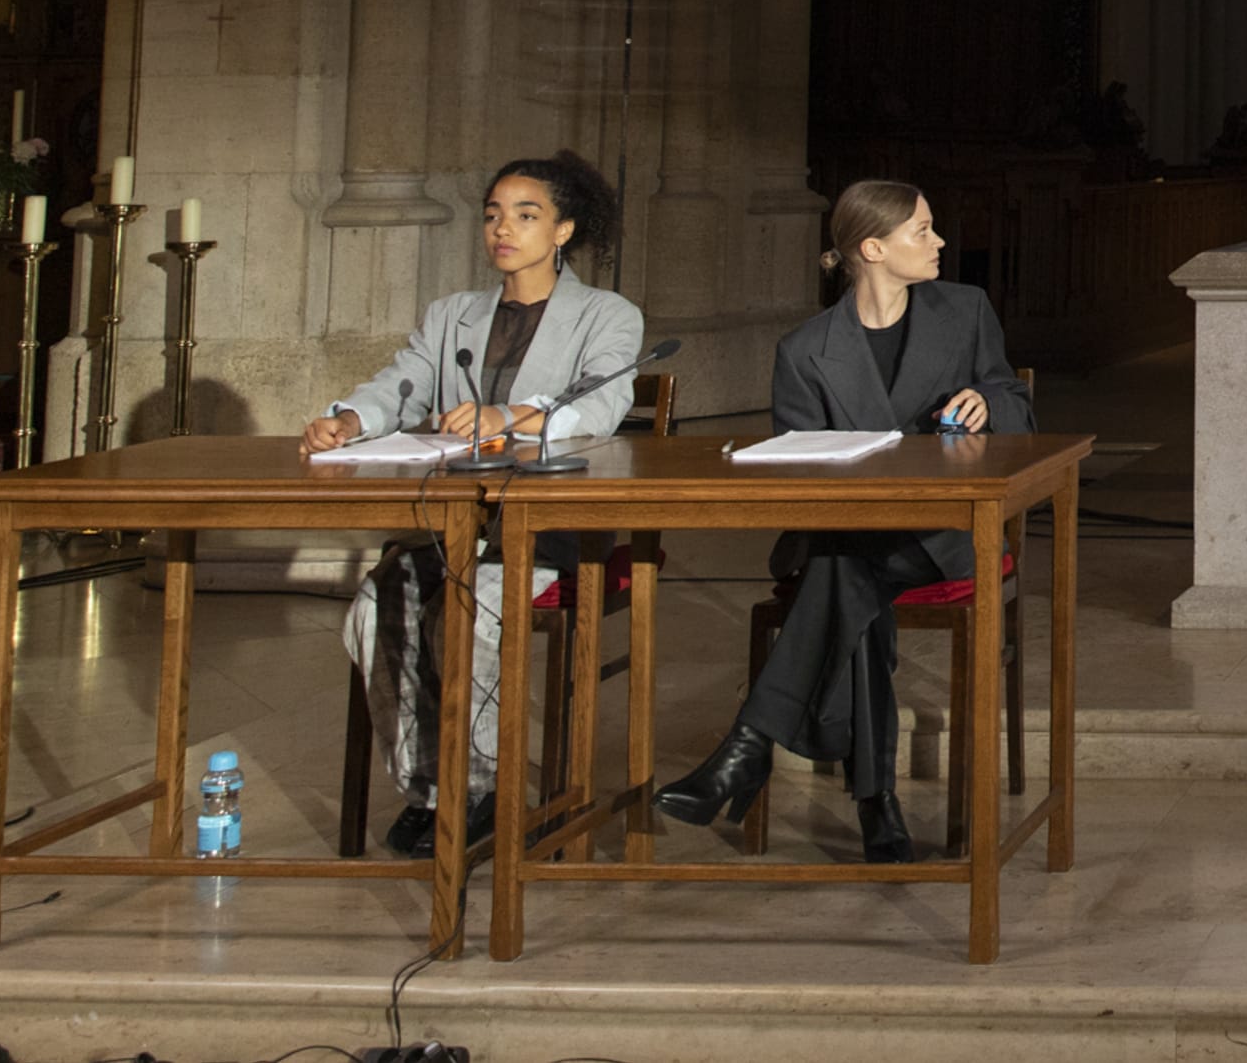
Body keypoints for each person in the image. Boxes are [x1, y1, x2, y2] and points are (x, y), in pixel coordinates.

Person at [654, 180, 1029, 862]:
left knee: (839, 575)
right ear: (873, 248)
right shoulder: (804, 350)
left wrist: (989, 403)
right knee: (847, 574)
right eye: (923, 230)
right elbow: (799, 476)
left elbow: (1017, 403)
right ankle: (870, 803)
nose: (940, 241)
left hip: (944, 536)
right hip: (848, 537)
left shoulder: (966, 310)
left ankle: (757, 750)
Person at [300, 150, 644, 858]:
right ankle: (432, 787)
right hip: (453, 521)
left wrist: (512, 416)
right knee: (375, 607)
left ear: (563, 229)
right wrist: (349, 421)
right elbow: (399, 384)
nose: (502, 229)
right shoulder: (453, 314)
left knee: (471, 606)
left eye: (525, 214)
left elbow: (603, 405)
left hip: (547, 532)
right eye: (493, 214)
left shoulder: (606, 315)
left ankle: (483, 789)